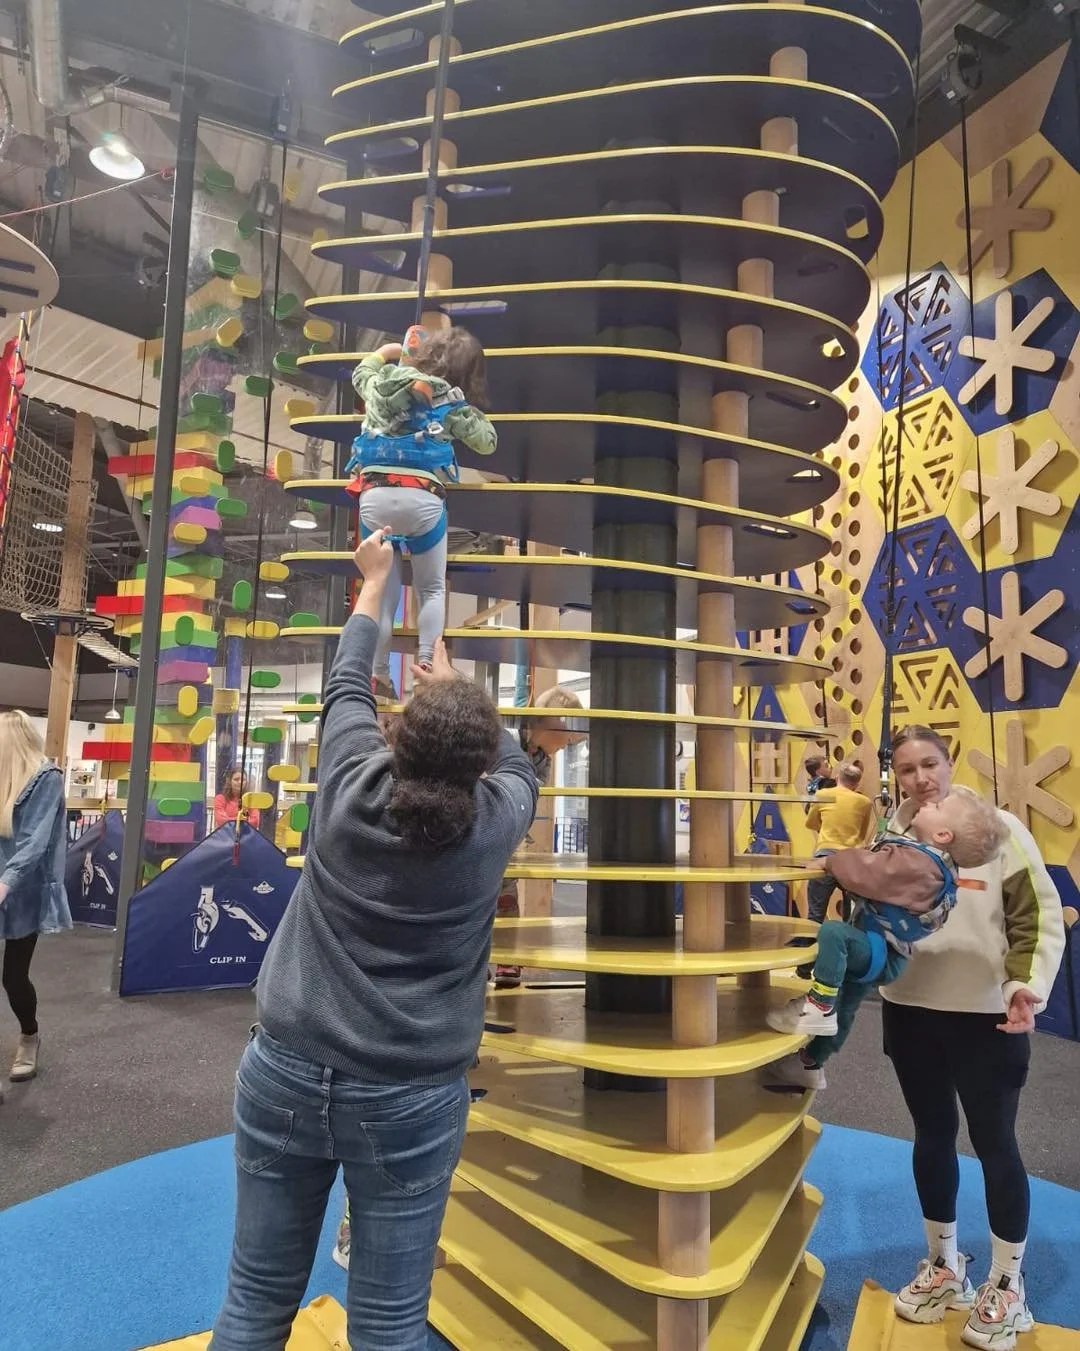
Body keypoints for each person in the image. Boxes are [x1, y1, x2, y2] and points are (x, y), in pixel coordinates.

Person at [209, 528, 538, 1351]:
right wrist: (463, 687)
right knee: (389, 1323)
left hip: (284, 1065)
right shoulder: (494, 824)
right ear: (476, 766)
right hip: (411, 1094)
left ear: (397, 735)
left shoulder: (350, 782)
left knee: (254, 1301)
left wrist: (375, 585)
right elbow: (523, 767)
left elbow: (346, 679)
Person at [775, 725, 1064, 1350]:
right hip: (911, 1012)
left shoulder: (1001, 829)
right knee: (931, 1137)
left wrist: (1026, 986)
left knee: (995, 1145)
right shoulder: (890, 837)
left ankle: (1007, 1284)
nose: (919, 778)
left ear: (948, 761)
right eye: (905, 769)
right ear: (895, 777)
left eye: (928, 764)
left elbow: (1036, 918)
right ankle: (943, 1265)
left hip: (987, 1018)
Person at [767, 786, 1007, 1064]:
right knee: (845, 1003)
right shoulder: (937, 867)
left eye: (938, 808)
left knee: (833, 933)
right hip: (890, 953)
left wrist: (830, 862)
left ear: (943, 835)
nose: (929, 804)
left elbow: (871, 870)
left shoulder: (917, 864)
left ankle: (817, 1006)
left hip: (876, 948)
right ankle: (811, 1062)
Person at [346, 326, 498, 701]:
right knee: (430, 589)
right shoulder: (449, 401)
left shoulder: (383, 382)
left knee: (382, 592)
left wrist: (388, 351)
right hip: (423, 499)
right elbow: (487, 442)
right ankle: (425, 670)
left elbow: (359, 374)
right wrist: (464, 409)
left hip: (374, 497)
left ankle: (378, 676)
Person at [493, 685, 584, 990]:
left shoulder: (543, 757)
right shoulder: (507, 737)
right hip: (485, 822)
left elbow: (530, 796)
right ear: (556, 721)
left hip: (507, 831)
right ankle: (473, 960)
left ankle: (505, 957)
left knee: (506, 896)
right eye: (567, 734)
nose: (568, 742)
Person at [0, 711, 71, 1098]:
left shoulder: (47, 780)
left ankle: (29, 1036)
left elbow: (35, 842)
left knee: (13, 977)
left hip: (24, 891)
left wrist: (5, 884)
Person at [804, 761, 876, 926]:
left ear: (837, 778)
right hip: (852, 860)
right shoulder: (865, 802)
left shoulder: (823, 795)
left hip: (824, 858)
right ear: (857, 783)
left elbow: (810, 824)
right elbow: (862, 833)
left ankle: (809, 948)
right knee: (853, 918)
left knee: (815, 916)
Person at [213, 766, 260, 831]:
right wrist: (240, 819)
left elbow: (255, 822)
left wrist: (232, 820)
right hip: (225, 837)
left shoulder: (251, 800)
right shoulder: (220, 799)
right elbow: (221, 820)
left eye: (243, 780)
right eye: (236, 779)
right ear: (229, 781)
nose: (240, 782)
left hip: (245, 837)